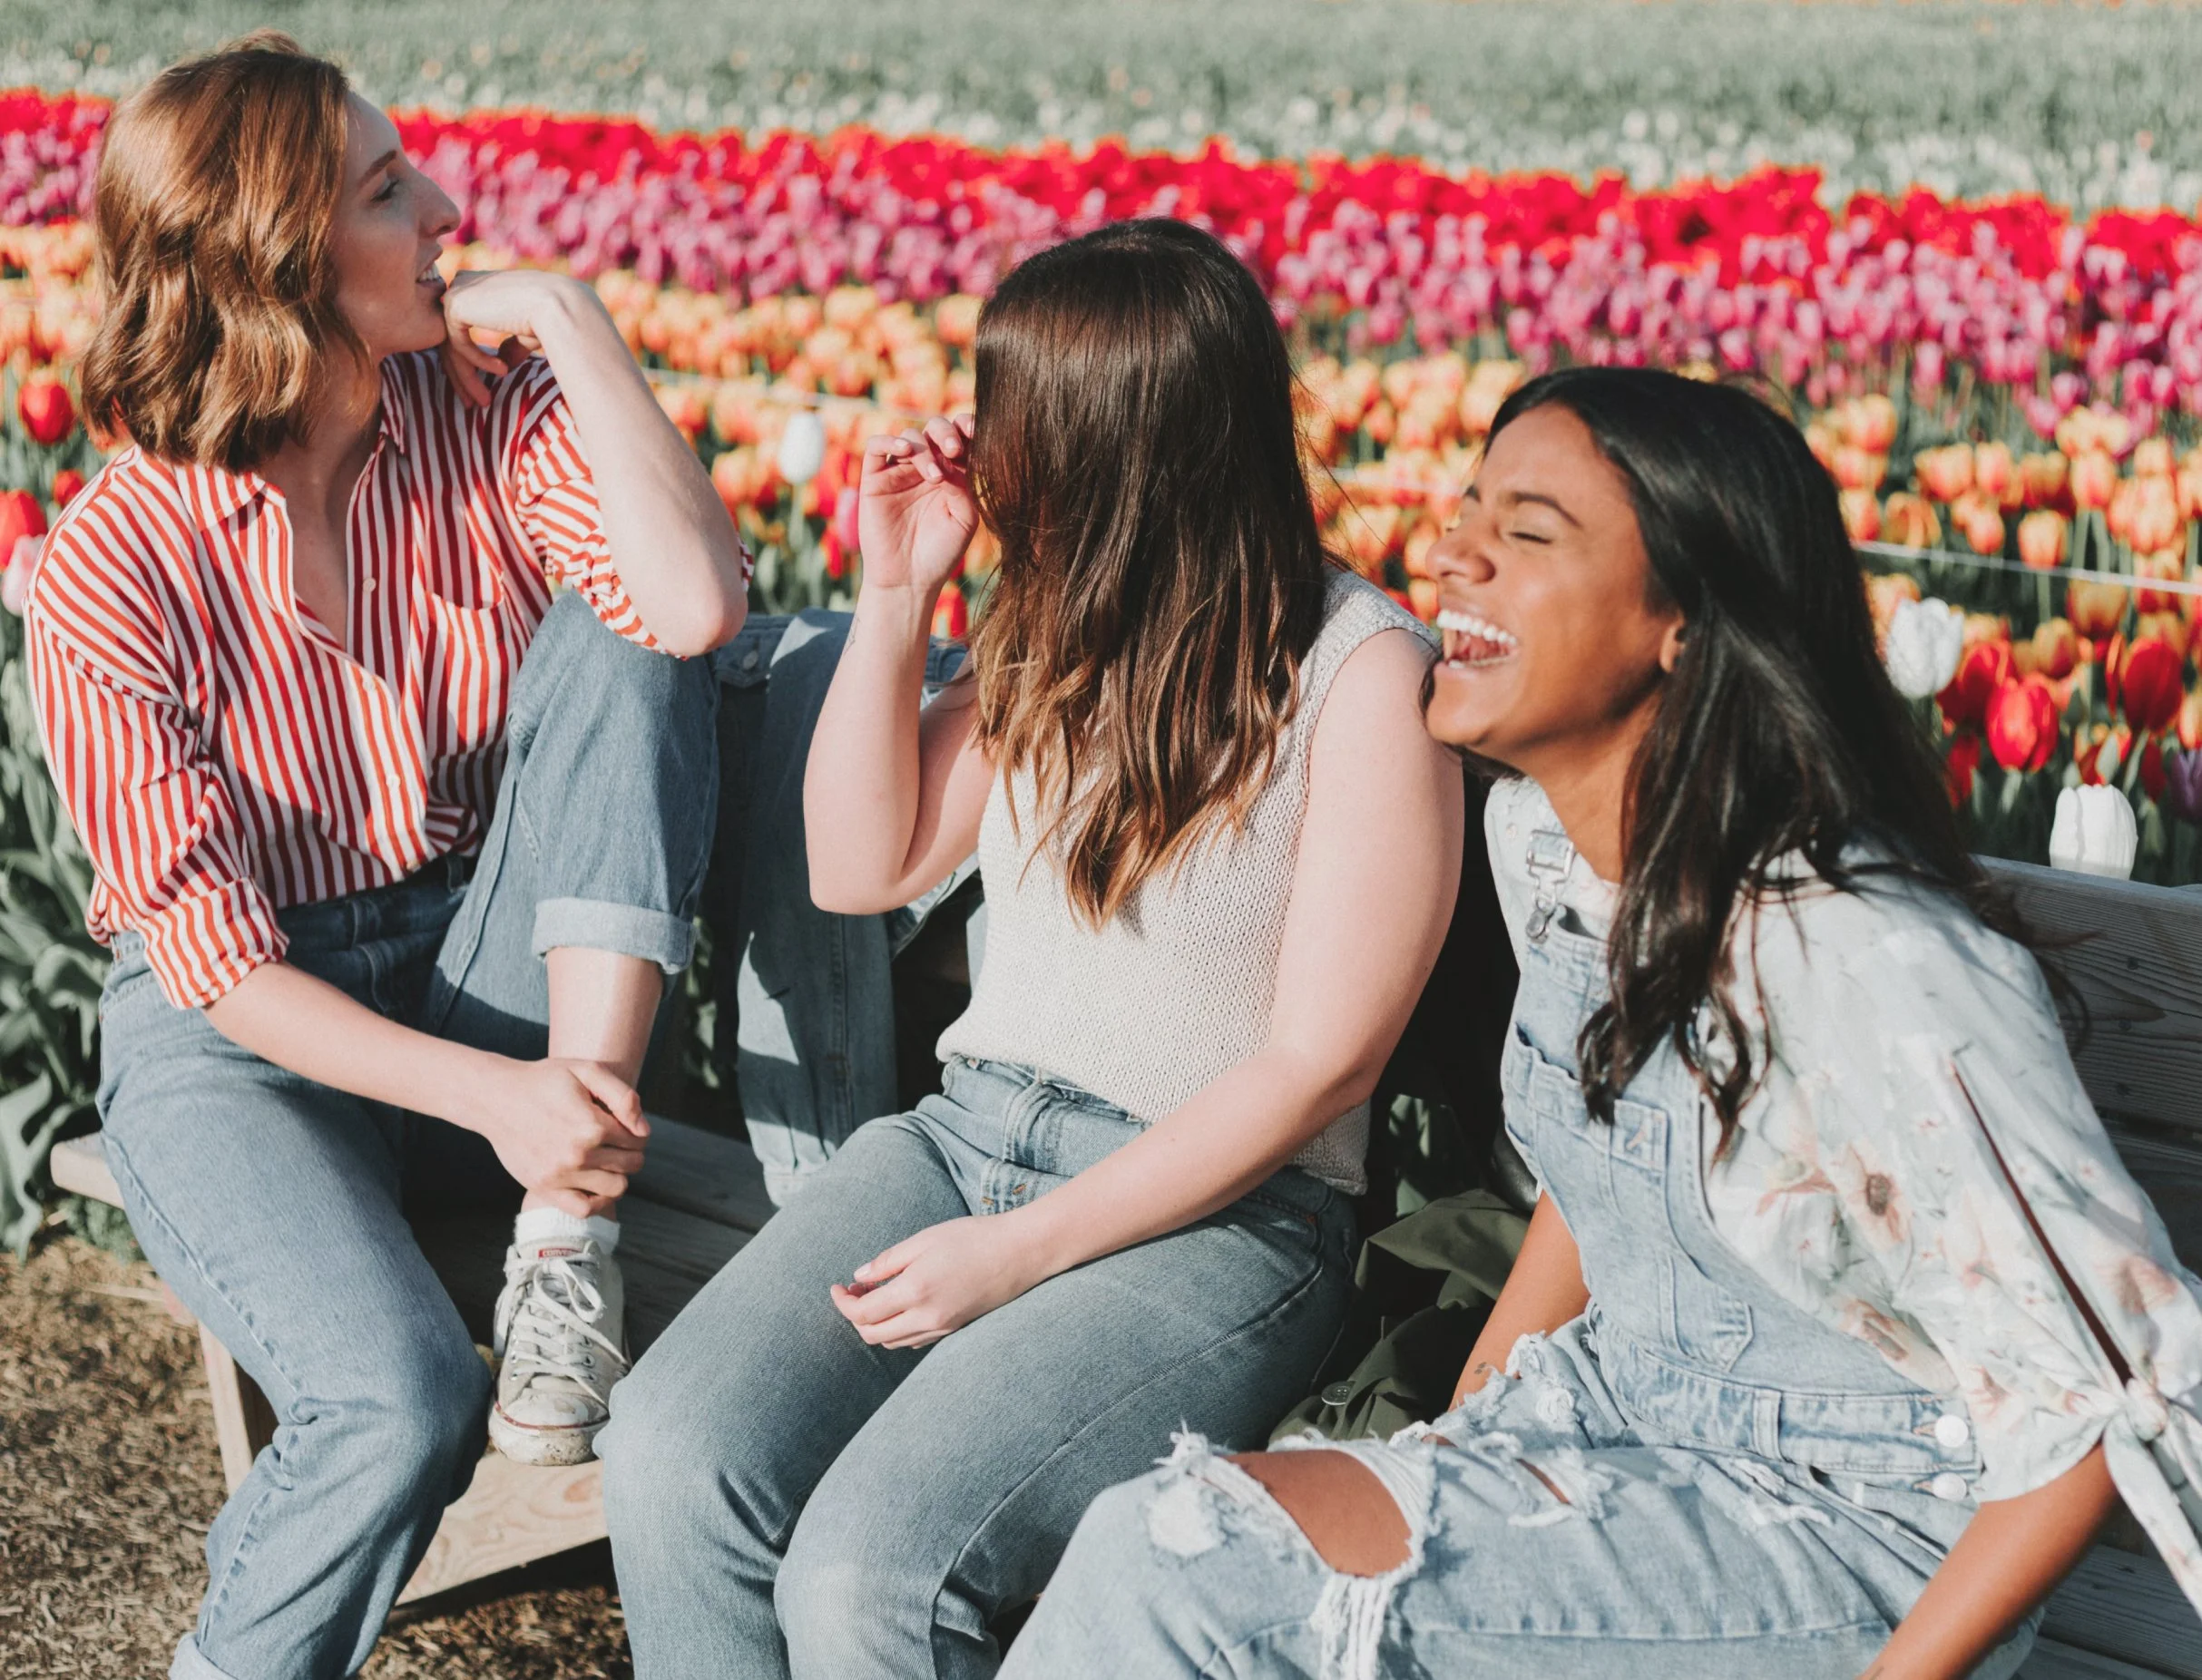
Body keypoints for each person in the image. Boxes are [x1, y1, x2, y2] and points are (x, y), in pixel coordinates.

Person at [1001, 367, 2202, 1680]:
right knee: (1171, 1542)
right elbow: (1612, 1167)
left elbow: (2098, 1398)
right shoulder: (1545, 848)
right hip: (1611, 1428)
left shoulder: (1861, 958)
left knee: (1177, 1566)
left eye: (1523, 534)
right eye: (1465, 510)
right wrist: (1458, 1441)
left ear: (1679, 622)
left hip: (1841, 1529)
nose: (1447, 552)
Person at [599, 218, 1465, 1677]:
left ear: (1117, 447)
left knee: (874, 1571)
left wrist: (1017, 1255)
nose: (980, 448)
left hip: (1221, 1215)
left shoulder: (1360, 673)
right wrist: (894, 596)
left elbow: (1327, 1063)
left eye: (1010, 416)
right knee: (674, 1457)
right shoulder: (1055, 632)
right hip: (959, 1141)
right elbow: (857, 864)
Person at [24, 35, 749, 1680]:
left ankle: (564, 1245)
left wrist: (571, 317)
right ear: (275, 263)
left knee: (625, 636)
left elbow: (692, 614)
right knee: (397, 1403)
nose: (446, 207)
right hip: (247, 1043)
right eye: (384, 189)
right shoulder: (108, 573)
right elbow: (213, 964)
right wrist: (499, 1103)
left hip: (479, 961)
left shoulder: (484, 418)